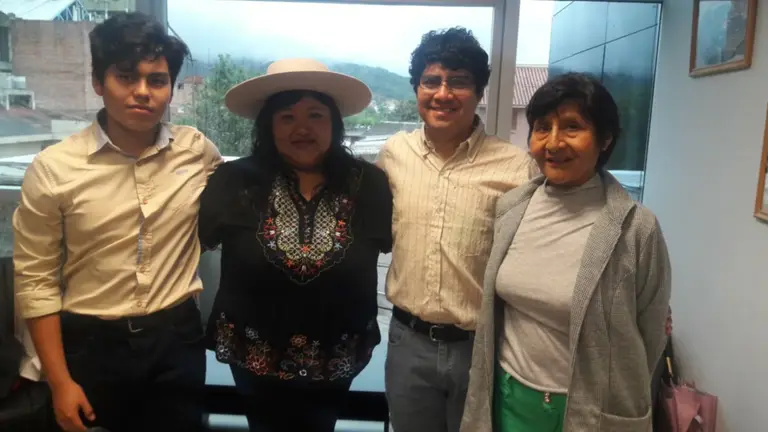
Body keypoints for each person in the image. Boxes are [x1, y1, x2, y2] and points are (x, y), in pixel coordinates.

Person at [12, 12, 222, 432]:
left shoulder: (196, 151)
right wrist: (60, 382)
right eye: (126, 77)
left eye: (157, 80)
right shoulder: (54, 168)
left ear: (171, 88)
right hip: (92, 344)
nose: (142, 92)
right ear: (98, 82)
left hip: (177, 340)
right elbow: (35, 281)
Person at [460, 73, 672, 432]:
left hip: (591, 411)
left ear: (605, 139)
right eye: (542, 128)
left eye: (572, 127)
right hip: (508, 397)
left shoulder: (637, 228)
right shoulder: (512, 207)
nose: (554, 143)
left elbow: (650, 335)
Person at [198, 58, 392, 432]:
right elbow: (200, 241)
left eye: (316, 115)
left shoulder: (369, 183)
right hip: (253, 354)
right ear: (268, 125)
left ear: (334, 123)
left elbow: (385, 244)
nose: (302, 128)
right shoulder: (232, 180)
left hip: (338, 354)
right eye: (287, 117)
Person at [376, 27, 536, 432]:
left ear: (479, 92)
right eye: (431, 81)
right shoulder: (394, 154)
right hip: (407, 342)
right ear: (417, 88)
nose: (443, 94)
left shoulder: (516, 167)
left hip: (480, 347)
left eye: (459, 82)